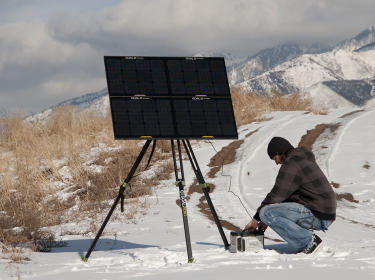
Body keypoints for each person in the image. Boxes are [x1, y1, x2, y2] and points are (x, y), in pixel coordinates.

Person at [244, 137, 336, 254]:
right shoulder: (301, 160)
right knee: (268, 213)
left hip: (318, 214)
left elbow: (276, 196)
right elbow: (286, 196)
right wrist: (266, 220)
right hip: (324, 213)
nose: (276, 162)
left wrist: (257, 218)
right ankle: (306, 241)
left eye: (274, 158)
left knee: (266, 212)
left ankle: (309, 242)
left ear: (280, 152)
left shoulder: (292, 165)